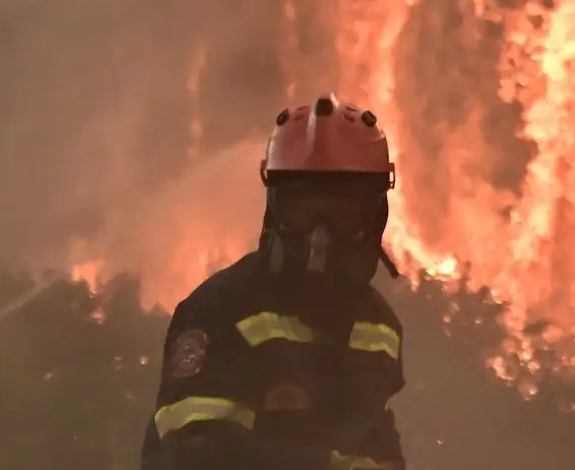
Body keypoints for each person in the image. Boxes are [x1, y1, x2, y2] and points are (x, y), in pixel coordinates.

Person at [140, 93, 407, 470]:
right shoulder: (220, 311)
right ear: (275, 207)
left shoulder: (379, 327)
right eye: (304, 210)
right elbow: (195, 452)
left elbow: (373, 433)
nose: (320, 234)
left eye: (341, 213)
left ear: (374, 214)